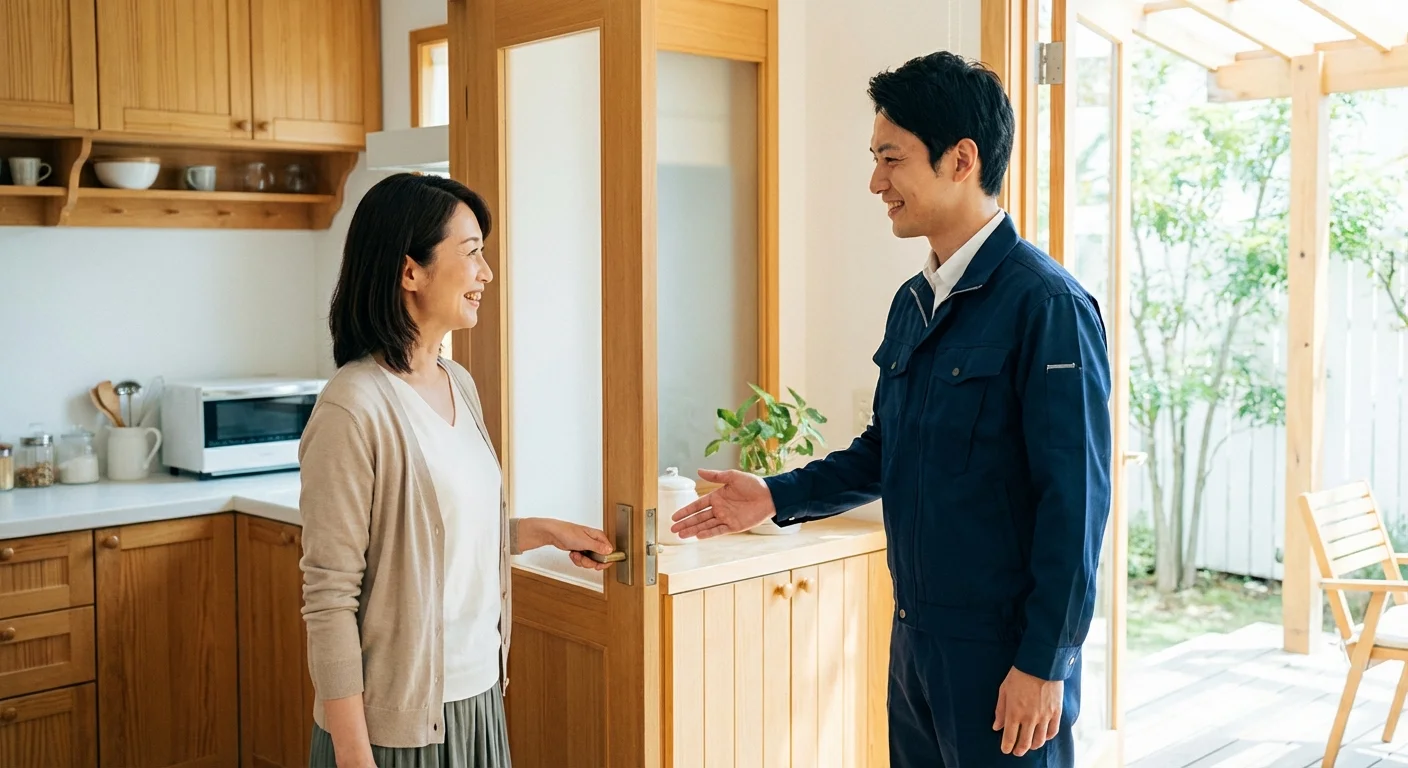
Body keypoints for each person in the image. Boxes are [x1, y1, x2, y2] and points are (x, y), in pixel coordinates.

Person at [671, 51, 1112, 767]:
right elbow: (886, 450)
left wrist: (1045, 662)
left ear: (961, 159)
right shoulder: (913, 303)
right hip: (914, 645)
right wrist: (774, 496)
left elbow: (1077, 502)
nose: (876, 182)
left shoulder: (1047, 305)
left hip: (1006, 659)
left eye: (892, 159)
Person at [299, 172, 616, 768]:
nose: (486, 273)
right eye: (472, 254)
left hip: (477, 699)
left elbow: (432, 542)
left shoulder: (458, 384)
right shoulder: (353, 405)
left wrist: (544, 532)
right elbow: (329, 597)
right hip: (392, 726)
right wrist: (353, 753)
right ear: (409, 270)